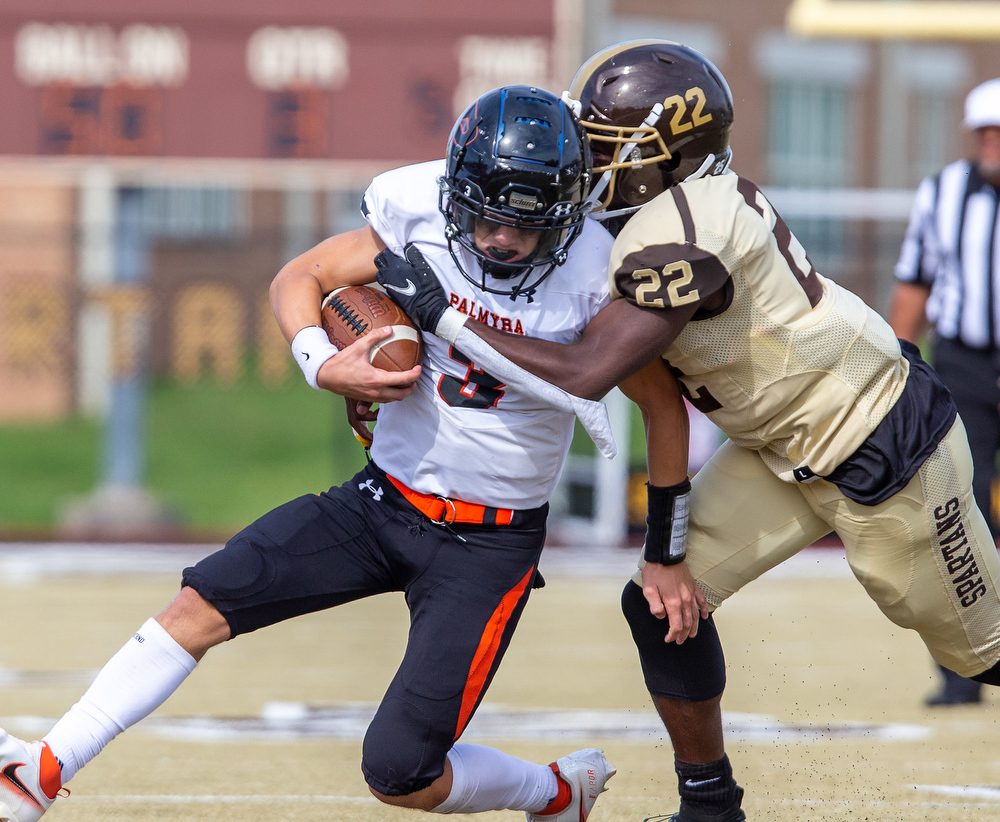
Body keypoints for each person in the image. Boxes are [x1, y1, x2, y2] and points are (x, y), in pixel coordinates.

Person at [374, 41, 1000, 822]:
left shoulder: (680, 233)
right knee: (665, 603)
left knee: (983, 652)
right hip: (779, 448)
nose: (582, 158)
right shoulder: (652, 209)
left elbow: (585, 371)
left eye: (602, 146)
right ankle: (711, 807)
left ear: (659, 156)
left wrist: (441, 315)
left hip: (880, 446)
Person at [0, 85, 618, 822]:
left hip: (486, 544)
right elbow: (305, 275)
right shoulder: (414, 207)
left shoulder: (596, 272)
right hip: (383, 500)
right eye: (483, 214)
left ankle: (552, 795)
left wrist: (669, 542)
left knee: (400, 772)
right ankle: (42, 768)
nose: (497, 240)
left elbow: (651, 398)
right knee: (202, 600)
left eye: (521, 224)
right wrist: (325, 364)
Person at [889, 77, 1000, 707]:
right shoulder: (943, 193)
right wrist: (900, 368)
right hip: (965, 363)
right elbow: (915, 287)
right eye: (983, 133)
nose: (991, 145)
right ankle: (967, 670)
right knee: (961, 508)